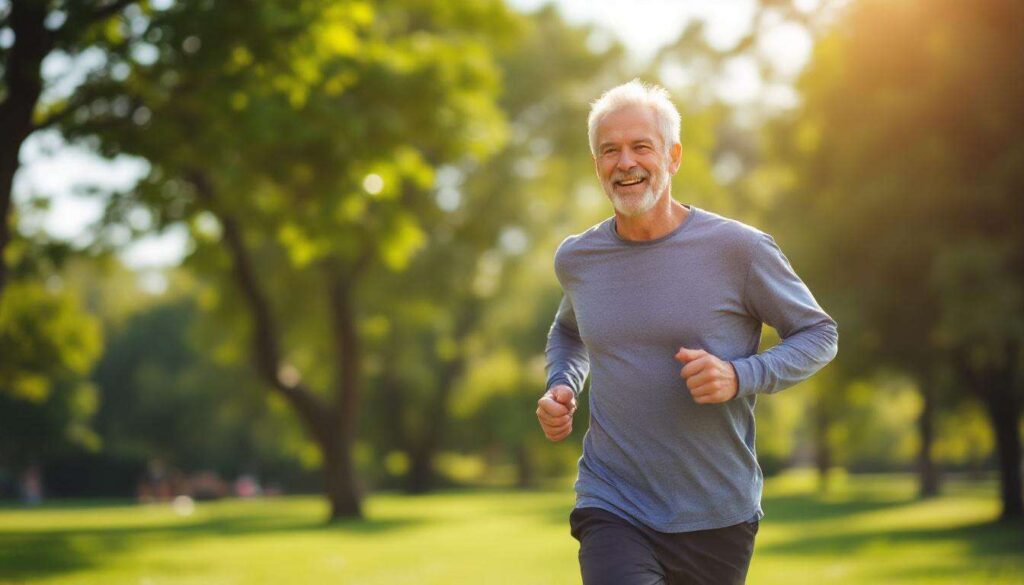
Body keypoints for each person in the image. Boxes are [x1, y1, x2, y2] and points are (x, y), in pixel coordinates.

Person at [537, 79, 838, 585]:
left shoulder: (739, 250)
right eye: (609, 150)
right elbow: (569, 332)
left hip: (716, 510)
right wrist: (561, 383)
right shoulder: (579, 259)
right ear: (596, 165)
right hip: (612, 499)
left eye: (641, 147)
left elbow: (819, 333)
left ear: (673, 157)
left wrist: (740, 375)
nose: (625, 162)